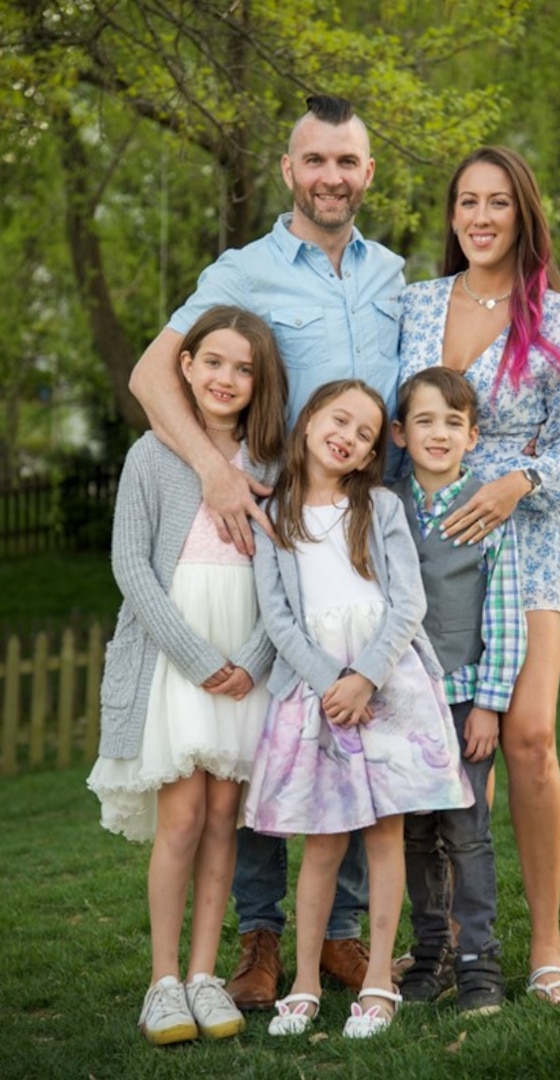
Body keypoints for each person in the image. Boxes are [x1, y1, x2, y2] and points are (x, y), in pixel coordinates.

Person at [128, 94, 404, 1008]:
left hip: (360, 532)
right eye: (315, 160)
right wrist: (212, 470)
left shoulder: (394, 277)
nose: (332, 176)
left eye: (348, 162)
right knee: (264, 732)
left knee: (349, 719)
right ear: (290, 170)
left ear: (368, 173)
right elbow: (150, 373)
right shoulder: (243, 269)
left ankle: (342, 937)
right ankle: (256, 937)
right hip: (270, 534)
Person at [398, 146, 560, 1006]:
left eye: (498, 203)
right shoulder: (412, 308)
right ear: (452, 216)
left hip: (523, 548)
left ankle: (545, 948)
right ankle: (438, 946)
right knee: (429, 746)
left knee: (528, 739)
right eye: (466, 203)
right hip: (425, 546)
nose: (480, 218)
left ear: (524, 214)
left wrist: (520, 481)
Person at [243, 379, 473, 1038]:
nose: (348, 436)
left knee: (382, 837)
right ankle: (306, 981)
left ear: (373, 451)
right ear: (310, 420)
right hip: (318, 692)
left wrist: (365, 678)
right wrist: (329, 682)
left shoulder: (379, 506)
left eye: (366, 433)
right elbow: (279, 618)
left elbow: (407, 603)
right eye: (339, 420)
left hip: (386, 681)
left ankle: (378, 982)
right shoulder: (276, 511)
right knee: (321, 842)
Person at [87, 306, 287, 1045]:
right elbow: (130, 566)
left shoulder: (269, 462)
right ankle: (163, 983)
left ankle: (207, 977)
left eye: (244, 368)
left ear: (260, 380)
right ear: (186, 366)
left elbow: (284, 574)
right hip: (180, 659)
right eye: (214, 363)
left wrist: (257, 660)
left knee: (221, 820)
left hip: (246, 661)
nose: (227, 379)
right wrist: (199, 660)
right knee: (181, 818)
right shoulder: (154, 455)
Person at [391, 367, 527, 1014]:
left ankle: (479, 963)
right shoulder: (384, 508)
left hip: (464, 698)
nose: (438, 433)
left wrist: (491, 707)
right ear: (399, 433)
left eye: (452, 422)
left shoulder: (485, 511)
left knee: (468, 834)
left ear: (473, 436)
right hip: (401, 707)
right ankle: (429, 955)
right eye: (425, 420)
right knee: (416, 835)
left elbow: (503, 616)